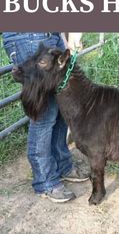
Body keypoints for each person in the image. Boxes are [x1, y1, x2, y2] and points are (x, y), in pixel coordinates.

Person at [2, 32, 89, 203]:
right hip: (27, 34)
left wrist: (63, 37)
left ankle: (62, 166)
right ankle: (45, 180)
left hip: (53, 34)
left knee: (62, 104)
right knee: (44, 114)